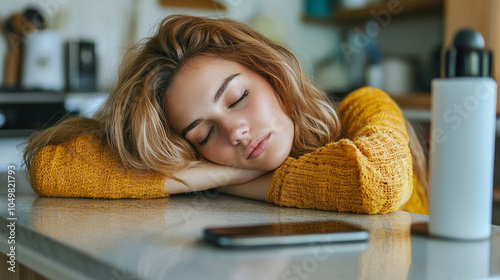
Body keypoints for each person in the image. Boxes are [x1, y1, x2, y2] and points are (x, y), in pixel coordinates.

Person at [23, 15, 428, 215]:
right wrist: (220, 175)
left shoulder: (365, 106)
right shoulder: (218, 163)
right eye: (203, 135)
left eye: (237, 98)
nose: (234, 131)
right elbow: (52, 169)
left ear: (270, 73)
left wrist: (233, 182)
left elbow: (378, 182)